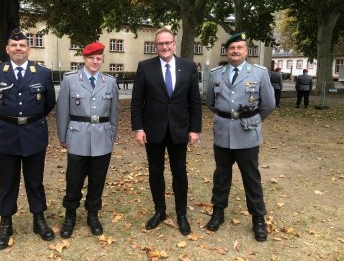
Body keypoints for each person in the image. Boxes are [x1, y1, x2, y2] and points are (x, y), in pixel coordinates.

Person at [0, 28, 56, 250]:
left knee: (35, 181)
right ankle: (6, 224)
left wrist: (30, 120)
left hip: (34, 133)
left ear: (28, 49)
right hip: (6, 134)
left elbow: (49, 103)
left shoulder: (42, 73)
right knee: (8, 181)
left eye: (22, 45)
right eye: (13, 45)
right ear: (7, 49)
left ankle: (38, 219)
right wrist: (8, 120)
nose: (18, 49)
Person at [131, 27, 202, 236]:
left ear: (174, 44)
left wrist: (195, 128)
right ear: (156, 46)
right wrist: (138, 128)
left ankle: (181, 214)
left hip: (180, 129)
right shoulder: (145, 67)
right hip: (153, 130)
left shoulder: (188, 67)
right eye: (160, 44)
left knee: (179, 172)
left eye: (167, 43)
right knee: (155, 172)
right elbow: (137, 102)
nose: (164, 46)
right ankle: (160, 211)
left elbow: (195, 101)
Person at [205, 32, 275, 242]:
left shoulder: (260, 73)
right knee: (221, 176)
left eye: (239, 48)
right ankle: (218, 212)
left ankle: (258, 219)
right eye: (231, 48)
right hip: (223, 134)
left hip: (247, 135)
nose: (235, 51)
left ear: (246, 51)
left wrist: (252, 120)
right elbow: (210, 102)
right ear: (227, 51)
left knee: (251, 178)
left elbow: (269, 105)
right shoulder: (216, 74)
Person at [56, 42, 119, 238]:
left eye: (98, 58)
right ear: (84, 59)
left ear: (102, 60)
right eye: (91, 58)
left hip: (102, 136)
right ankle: (70, 215)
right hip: (77, 136)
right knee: (74, 179)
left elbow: (114, 112)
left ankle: (93, 214)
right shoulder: (70, 80)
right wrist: (63, 136)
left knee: (97, 179)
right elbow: (62, 110)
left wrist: (112, 135)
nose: (95, 61)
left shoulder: (109, 82)